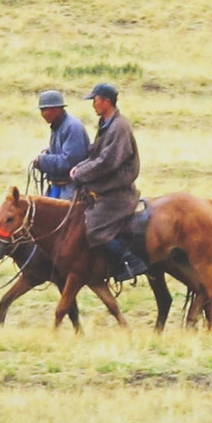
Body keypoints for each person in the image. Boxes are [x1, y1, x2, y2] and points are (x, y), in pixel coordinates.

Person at [70, 83, 148, 282]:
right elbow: (96, 154)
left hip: (117, 192)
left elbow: (107, 161)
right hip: (106, 187)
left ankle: (128, 260)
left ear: (106, 101)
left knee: (92, 229)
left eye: (95, 100)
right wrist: (79, 166)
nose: (93, 105)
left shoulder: (119, 127)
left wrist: (81, 173)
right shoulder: (107, 124)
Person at [33, 90, 90, 200]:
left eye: (44, 110)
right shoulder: (58, 126)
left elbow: (69, 162)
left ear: (56, 109)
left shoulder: (73, 127)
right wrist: (47, 154)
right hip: (57, 186)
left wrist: (43, 161)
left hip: (70, 188)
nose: (42, 114)